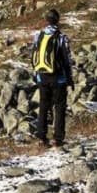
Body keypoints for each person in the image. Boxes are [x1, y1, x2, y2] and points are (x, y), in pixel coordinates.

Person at [31, 8, 74, 147]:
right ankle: (58, 138)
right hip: (58, 78)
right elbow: (67, 60)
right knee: (59, 106)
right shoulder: (61, 37)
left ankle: (41, 137)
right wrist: (69, 78)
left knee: (43, 105)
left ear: (46, 20)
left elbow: (33, 56)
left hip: (42, 76)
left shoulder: (38, 35)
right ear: (58, 20)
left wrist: (37, 75)